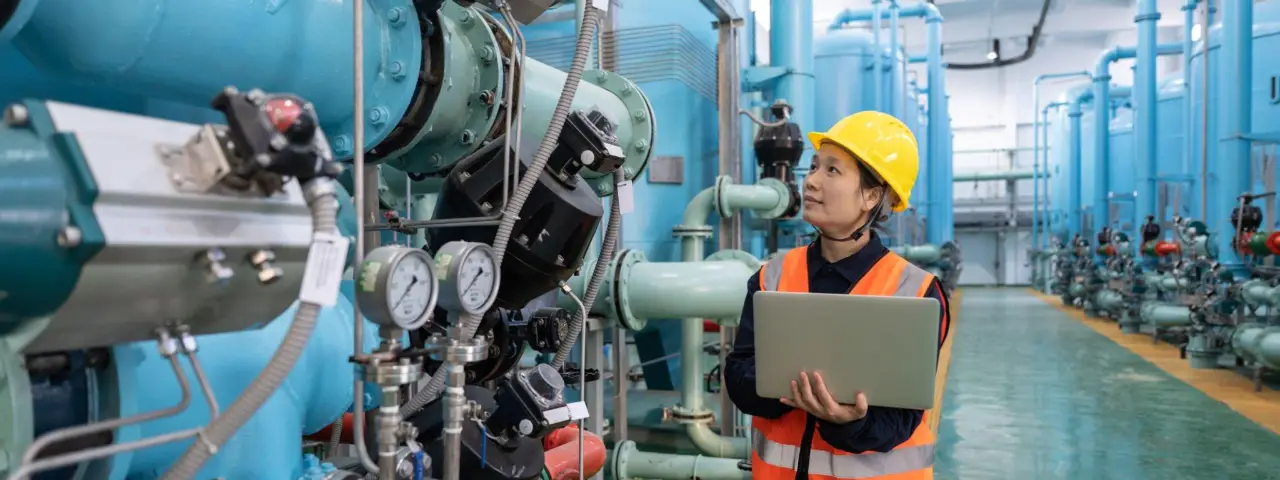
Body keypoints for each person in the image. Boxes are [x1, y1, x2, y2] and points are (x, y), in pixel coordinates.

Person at [725, 110, 952, 480]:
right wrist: (782, 388)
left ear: (871, 196)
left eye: (832, 170)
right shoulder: (772, 276)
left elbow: (901, 420)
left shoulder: (916, 292)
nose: (811, 181)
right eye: (814, 166)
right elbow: (738, 375)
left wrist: (850, 421)